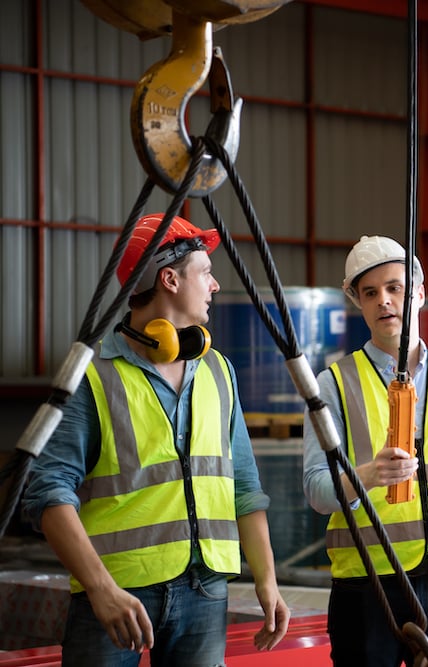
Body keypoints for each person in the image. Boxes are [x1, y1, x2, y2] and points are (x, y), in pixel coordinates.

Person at [22, 213, 290, 666]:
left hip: (205, 589)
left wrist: (267, 579)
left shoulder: (218, 371)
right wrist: (101, 589)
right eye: (205, 272)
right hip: (116, 595)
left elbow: (244, 486)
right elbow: (47, 493)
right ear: (169, 278)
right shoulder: (93, 375)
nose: (216, 285)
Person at [302, 235, 428, 667]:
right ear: (357, 302)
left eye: (394, 288)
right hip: (367, 586)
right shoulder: (333, 385)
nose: (384, 301)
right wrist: (367, 476)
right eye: (371, 293)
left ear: (418, 293)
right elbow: (318, 493)